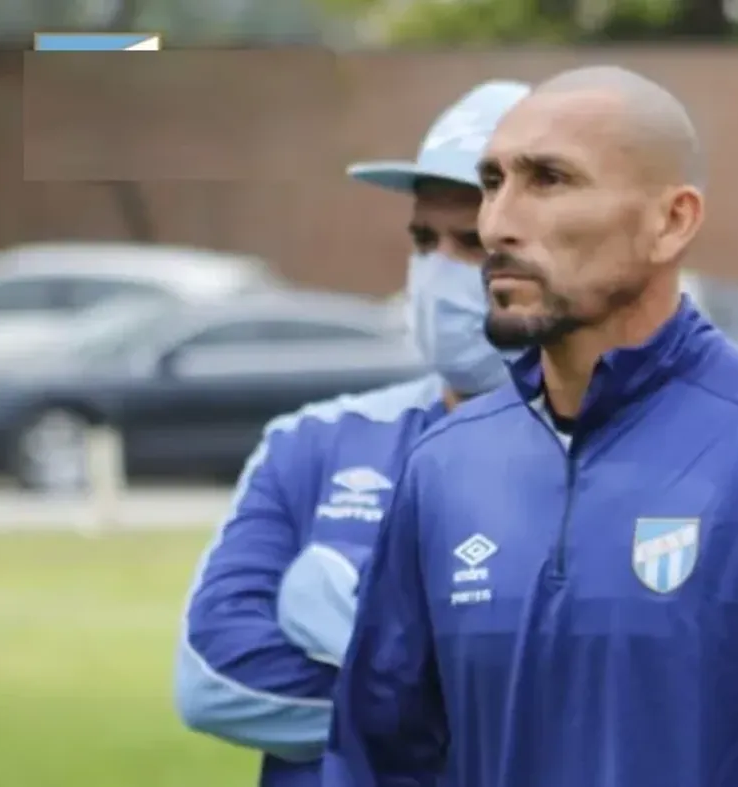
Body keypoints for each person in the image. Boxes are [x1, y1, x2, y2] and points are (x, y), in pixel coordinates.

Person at [326, 65, 738, 787]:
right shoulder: (443, 466)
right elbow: (377, 759)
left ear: (672, 221)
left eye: (548, 179)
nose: (498, 224)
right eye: (493, 182)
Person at [173, 79, 530, 787]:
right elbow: (215, 678)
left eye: (471, 241)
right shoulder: (312, 441)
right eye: (423, 239)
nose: (437, 269)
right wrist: (462, 706)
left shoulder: (604, 452)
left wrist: (339, 610)